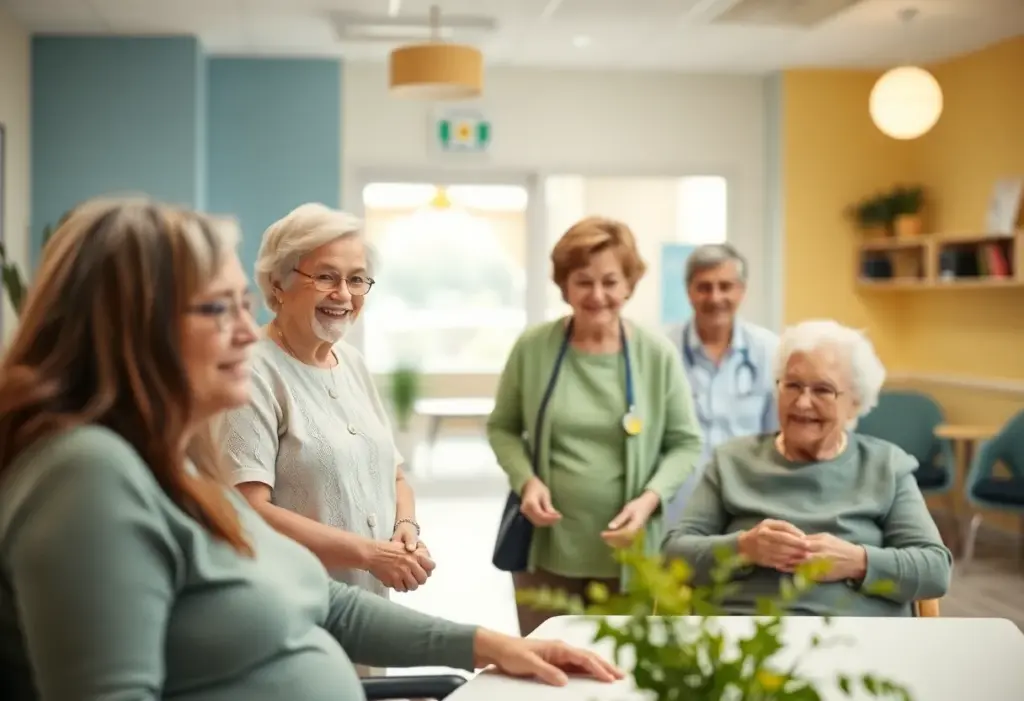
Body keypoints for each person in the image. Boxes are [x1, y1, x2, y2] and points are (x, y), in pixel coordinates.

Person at [0, 198, 624, 701]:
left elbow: (330, 605)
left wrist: (494, 644)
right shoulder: (86, 474)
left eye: (242, 306)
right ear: (133, 325)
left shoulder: (177, 461)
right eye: (219, 309)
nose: (247, 332)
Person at [488, 215, 704, 636]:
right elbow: (503, 427)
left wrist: (649, 500)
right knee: (549, 674)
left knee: (622, 679)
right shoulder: (534, 348)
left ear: (629, 284)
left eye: (610, 281)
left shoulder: (655, 354)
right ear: (565, 285)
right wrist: (527, 481)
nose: (598, 294)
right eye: (583, 281)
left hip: (629, 552)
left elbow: (685, 443)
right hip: (545, 554)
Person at [662, 319, 952, 617]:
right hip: (744, 641)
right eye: (793, 385)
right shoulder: (732, 461)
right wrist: (744, 548)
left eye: (823, 390)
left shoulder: (886, 466)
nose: (802, 403)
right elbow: (673, 554)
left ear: (855, 402)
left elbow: (935, 570)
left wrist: (857, 561)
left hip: (860, 643)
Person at [221, 203, 432, 606]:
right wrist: (370, 554)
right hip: (291, 609)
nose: (344, 294)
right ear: (277, 283)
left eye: (357, 279)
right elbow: (247, 510)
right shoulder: (252, 373)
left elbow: (395, 475)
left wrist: (405, 529)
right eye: (325, 277)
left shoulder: (351, 362)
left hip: (368, 604)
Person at [664, 243, 779, 524]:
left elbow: (778, 438)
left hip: (745, 503)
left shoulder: (770, 351)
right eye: (704, 287)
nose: (715, 298)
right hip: (677, 505)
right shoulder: (663, 350)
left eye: (725, 286)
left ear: (742, 290)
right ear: (688, 291)